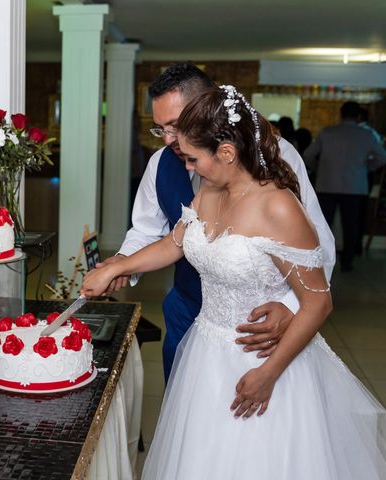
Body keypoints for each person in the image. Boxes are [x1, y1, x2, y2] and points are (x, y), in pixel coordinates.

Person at [82, 85, 386, 478]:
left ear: (226, 152)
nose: (188, 168)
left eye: (193, 159)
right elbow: (175, 242)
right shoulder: (210, 190)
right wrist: (115, 268)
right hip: (207, 354)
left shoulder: (278, 206)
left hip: (263, 359)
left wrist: (268, 374)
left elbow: (318, 303)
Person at [97, 62, 335, 382]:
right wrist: (123, 262)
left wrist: (292, 307)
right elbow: (149, 230)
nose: (169, 139)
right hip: (186, 309)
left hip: (256, 323)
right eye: (160, 129)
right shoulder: (162, 163)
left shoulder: (276, 157)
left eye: (175, 125)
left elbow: (316, 242)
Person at [303, 101, 386, 271]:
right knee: (351, 225)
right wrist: (367, 169)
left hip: (327, 184)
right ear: (358, 116)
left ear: (341, 114)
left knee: (322, 224)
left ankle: (320, 260)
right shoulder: (366, 135)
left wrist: (319, 169)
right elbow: (382, 157)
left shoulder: (327, 132)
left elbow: (308, 155)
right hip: (354, 185)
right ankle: (347, 262)